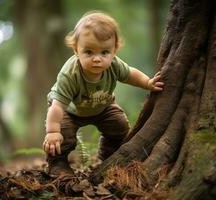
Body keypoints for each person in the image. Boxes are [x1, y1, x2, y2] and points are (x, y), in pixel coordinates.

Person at [43, 11, 164, 177]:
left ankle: (109, 153)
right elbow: (57, 107)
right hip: (68, 111)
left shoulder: (114, 65)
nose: (97, 59)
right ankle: (57, 163)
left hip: (103, 106)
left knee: (119, 126)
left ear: (114, 51)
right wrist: (52, 131)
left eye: (104, 52)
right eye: (89, 52)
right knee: (63, 135)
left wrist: (147, 83)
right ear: (76, 50)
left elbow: (130, 74)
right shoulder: (70, 74)